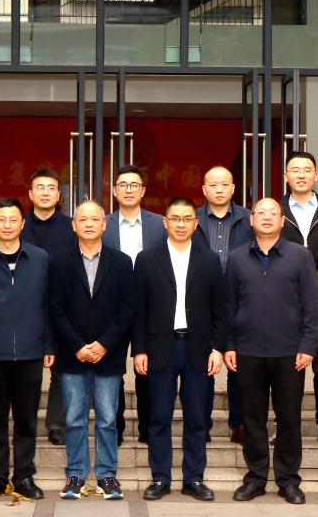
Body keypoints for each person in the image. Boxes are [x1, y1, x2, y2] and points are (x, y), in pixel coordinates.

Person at [225, 198, 318, 505]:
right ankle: (255, 478)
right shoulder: (237, 257)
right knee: (252, 418)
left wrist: (308, 345)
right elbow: (229, 306)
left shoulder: (300, 256)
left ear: (282, 221)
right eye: (260, 213)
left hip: (289, 352)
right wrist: (229, 345)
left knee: (289, 418)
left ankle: (288, 480)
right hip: (248, 351)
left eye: (273, 213)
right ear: (251, 220)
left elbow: (311, 305)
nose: (266, 217)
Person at [135, 197, 227, 502]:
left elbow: (220, 309)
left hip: (198, 348)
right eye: (175, 218)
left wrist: (217, 348)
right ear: (165, 222)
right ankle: (160, 478)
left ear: (196, 224)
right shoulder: (147, 259)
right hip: (160, 347)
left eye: (187, 219)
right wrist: (139, 349)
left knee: (197, 418)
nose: (181, 224)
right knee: (159, 417)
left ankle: (194, 478)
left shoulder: (209, 260)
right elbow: (139, 309)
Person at [0, 198, 54, 501]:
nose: (7, 225)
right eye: (1, 220)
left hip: (31, 351)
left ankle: (24, 476)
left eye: (13, 220)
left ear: (22, 223)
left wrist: (49, 344)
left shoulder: (41, 259)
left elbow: (48, 306)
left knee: (26, 418)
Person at [49, 200, 134, 501]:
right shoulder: (59, 262)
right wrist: (76, 346)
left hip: (108, 355)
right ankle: (75, 474)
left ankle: (107, 475)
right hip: (72, 355)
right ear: (74, 225)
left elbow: (127, 309)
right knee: (74, 418)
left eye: (94, 219)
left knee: (108, 419)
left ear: (104, 225)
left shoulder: (121, 262)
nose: (88, 224)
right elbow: (55, 308)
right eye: (82, 219)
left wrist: (104, 344)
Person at [278, 150, 318, 444]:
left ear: (316, 175)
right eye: (295, 170)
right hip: (284, 296)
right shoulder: (276, 209)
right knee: (285, 366)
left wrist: (315, 274)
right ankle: (284, 425)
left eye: (307, 170)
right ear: (286, 176)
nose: (301, 175)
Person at [103, 164, 165, 445]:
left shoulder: (159, 225)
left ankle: (148, 428)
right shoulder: (103, 224)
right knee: (113, 369)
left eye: (134, 185)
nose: (128, 190)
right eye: (123, 185)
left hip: (150, 306)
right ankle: (114, 427)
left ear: (142, 191)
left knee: (147, 368)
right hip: (112, 308)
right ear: (114, 191)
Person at [192, 166, 251, 443]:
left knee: (240, 365)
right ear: (204, 189)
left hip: (242, 300)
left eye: (224, 184)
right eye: (213, 185)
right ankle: (201, 424)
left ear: (233, 188)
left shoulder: (248, 219)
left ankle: (239, 423)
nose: (218, 189)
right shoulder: (192, 219)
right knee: (203, 364)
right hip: (202, 302)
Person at [22, 168, 78, 447]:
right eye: (39, 187)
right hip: (25, 308)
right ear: (30, 194)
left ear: (59, 196)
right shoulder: (18, 225)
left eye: (51, 188)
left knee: (61, 370)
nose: (45, 193)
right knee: (28, 370)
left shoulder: (71, 227)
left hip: (62, 307)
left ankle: (57, 424)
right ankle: (26, 423)